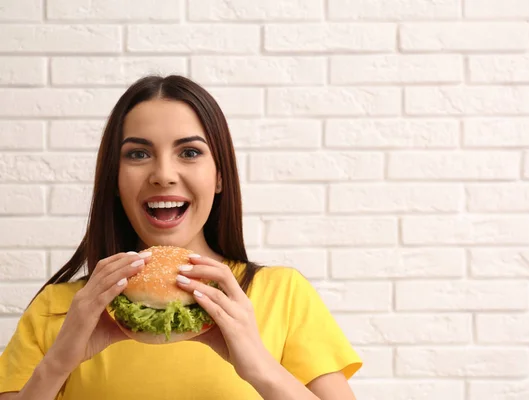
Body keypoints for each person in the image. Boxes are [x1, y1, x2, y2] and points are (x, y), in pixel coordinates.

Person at [0, 75, 362, 400]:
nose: (163, 174)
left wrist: (261, 370)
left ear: (219, 176)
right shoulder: (60, 307)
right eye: (138, 154)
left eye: (189, 152)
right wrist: (58, 363)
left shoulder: (280, 293)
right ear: (114, 178)